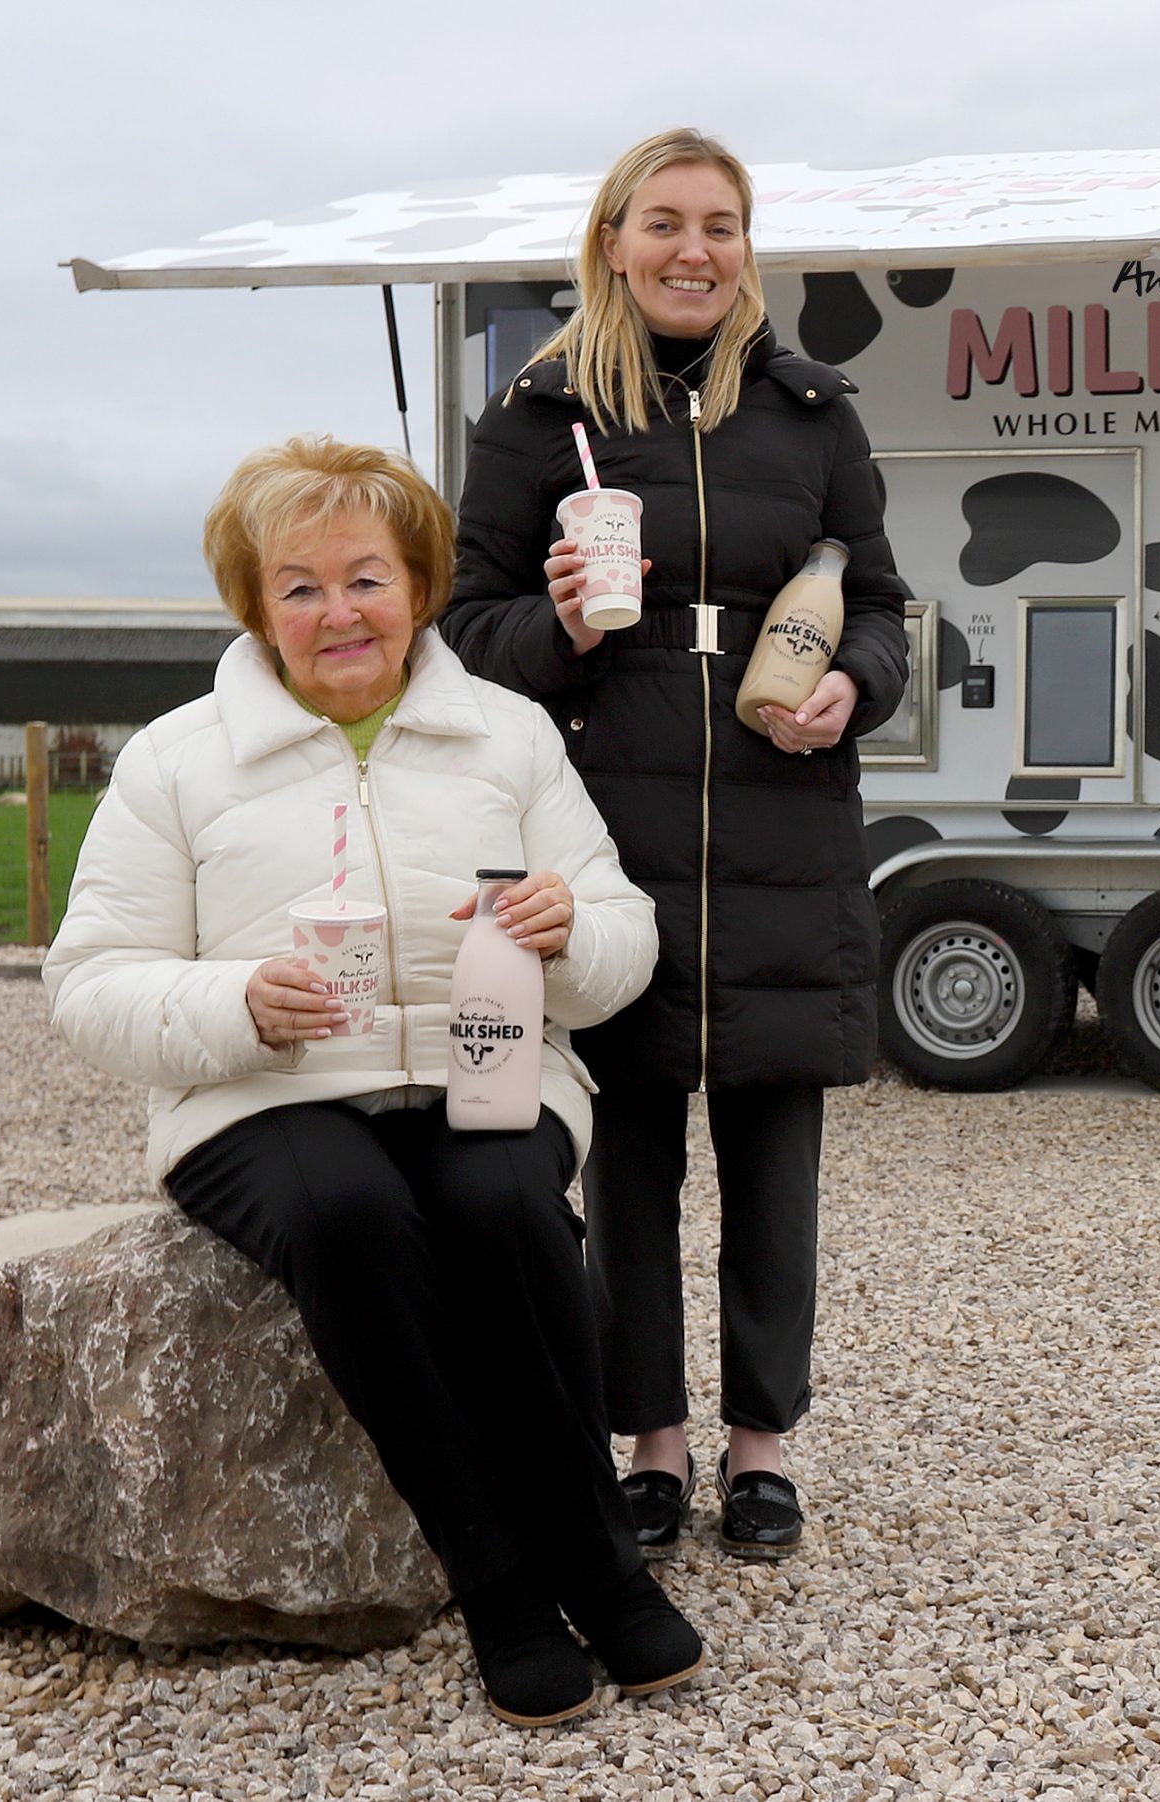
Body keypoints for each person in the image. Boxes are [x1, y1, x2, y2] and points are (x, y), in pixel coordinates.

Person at [43, 436, 701, 1728]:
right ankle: (503, 1577)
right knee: (347, 1213)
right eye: (300, 586)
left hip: (484, 1069)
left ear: (421, 587)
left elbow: (625, 940)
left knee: (505, 1208)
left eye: (367, 578)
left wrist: (574, 928)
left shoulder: (507, 737)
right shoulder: (176, 761)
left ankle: (596, 1553)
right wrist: (235, 1001)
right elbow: (88, 979)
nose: (338, 611)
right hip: (266, 1091)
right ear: (254, 605)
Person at [442, 127, 911, 1563]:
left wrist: (856, 686)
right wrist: (566, 629)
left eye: (721, 225)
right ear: (614, 241)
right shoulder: (536, 418)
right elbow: (467, 630)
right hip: (608, 832)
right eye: (665, 223)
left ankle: (762, 1446)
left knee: (776, 1157)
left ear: (747, 248)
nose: (693, 249)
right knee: (627, 1159)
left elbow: (883, 607)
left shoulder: (814, 414)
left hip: (785, 828)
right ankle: (649, 1439)